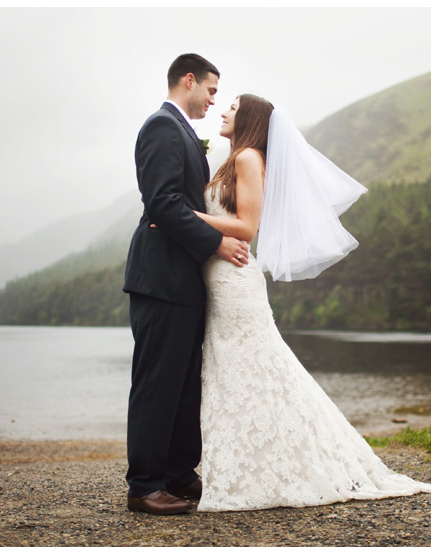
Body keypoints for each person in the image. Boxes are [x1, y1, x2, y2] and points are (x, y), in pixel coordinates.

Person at [192, 94, 431, 511]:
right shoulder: (236, 158)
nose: (223, 111)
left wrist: (189, 216)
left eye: (232, 107)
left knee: (256, 369)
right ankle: (254, 463)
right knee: (237, 374)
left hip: (235, 281)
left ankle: (295, 464)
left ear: (250, 118)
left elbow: (247, 227)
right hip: (219, 279)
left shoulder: (248, 158)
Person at [123, 54, 249, 516]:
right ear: (190, 81)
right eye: (212, 91)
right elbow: (161, 203)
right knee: (157, 382)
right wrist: (217, 243)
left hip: (183, 279)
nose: (213, 100)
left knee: (182, 385)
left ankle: (178, 475)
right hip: (160, 279)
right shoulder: (161, 126)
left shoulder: (182, 132)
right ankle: (144, 486)